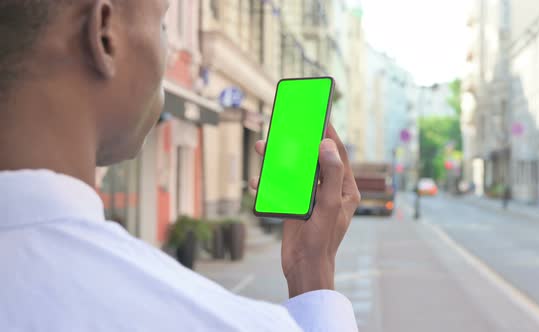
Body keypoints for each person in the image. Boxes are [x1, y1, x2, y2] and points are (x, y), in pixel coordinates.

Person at [0, 1, 361, 331]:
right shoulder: (208, 319)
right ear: (104, 35)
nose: (168, 50)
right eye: (163, 26)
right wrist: (312, 273)